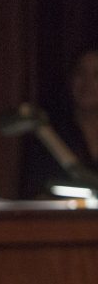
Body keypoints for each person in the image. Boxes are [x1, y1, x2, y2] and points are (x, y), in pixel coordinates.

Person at [20, 46, 98, 197]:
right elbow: (34, 191)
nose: (87, 84)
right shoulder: (48, 134)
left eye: (97, 75)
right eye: (80, 73)